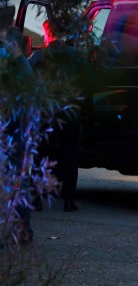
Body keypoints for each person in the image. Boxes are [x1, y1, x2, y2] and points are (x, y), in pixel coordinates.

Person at [29, 20, 80, 212]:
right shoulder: (76, 56)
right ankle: (69, 199)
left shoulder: (39, 56)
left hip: (44, 113)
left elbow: (27, 80)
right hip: (71, 112)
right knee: (70, 155)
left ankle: (37, 198)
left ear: (47, 33)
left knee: (41, 155)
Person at [1, 26, 35, 243]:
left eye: (2, 44)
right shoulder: (18, 67)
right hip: (16, 134)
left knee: (16, 182)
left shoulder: (20, 70)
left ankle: (20, 230)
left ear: (13, 45)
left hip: (16, 135)